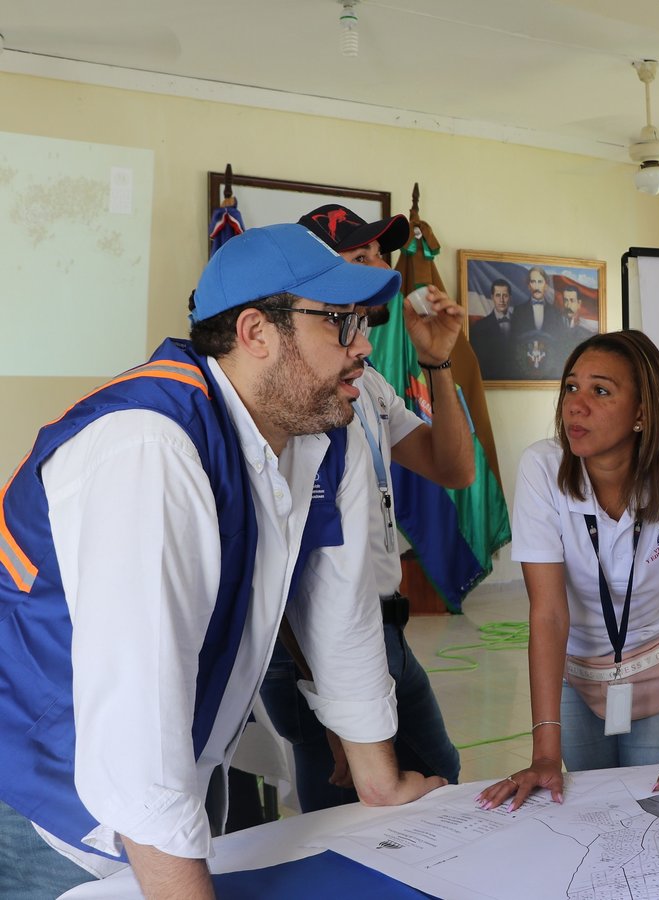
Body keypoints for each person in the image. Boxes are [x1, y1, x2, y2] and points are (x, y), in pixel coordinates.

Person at [0, 224, 445, 899]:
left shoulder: (324, 430)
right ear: (256, 332)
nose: (363, 348)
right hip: (50, 804)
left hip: (173, 774)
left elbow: (338, 610)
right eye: (340, 323)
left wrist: (379, 782)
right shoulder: (150, 447)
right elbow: (135, 728)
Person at [253, 205, 472, 812]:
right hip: (312, 642)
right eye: (361, 257)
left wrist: (439, 362)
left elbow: (453, 468)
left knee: (437, 773)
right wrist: (330, 696)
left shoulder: (365, 379)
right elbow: (296, 565)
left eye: (382, 254)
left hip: (382, 626)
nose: (383, 269)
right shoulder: (295, 388)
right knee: (346, 815)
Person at [476, 331, 659, 813]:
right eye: (571, 388)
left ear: (642, 412)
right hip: (577, 670)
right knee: (596, 813)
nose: (576, 405)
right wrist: (544, 754)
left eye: (600, 391)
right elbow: (548, 613)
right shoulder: (542, 466)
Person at [470, 279, 518, 379]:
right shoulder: (480, 327)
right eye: (498, 295)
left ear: (510, 297)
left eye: (505, 295)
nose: (502, 300)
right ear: (492, 297)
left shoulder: (521, 323)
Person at [511, 266, 566, 336]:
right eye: (533, 282)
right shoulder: (518, 311)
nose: (537, 286)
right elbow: (514, 340)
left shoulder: (556, 313)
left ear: (546, 286)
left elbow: (560, 340)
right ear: (529, 286)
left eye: (540, 282)